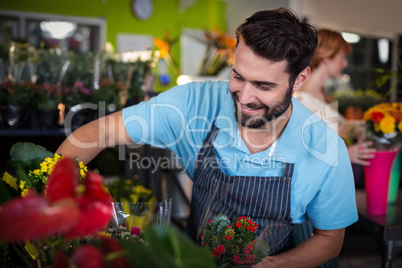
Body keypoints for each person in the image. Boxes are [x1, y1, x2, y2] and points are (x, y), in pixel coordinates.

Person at [56, 8, 358, 268]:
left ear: (299, 80)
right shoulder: (193, 104)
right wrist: (52, 211)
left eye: (264, 86)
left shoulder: (326, 149)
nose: (245, 97)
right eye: (238, 76)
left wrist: (272, 264)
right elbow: (94, 134)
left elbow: (330, 239)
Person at [294, 28, 375, 187]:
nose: (345, 63)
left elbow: (341, 129)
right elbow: (303, 154)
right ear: (326, 57)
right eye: (342, 57)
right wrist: (346, 154)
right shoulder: (302, 100)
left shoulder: (322, 97)